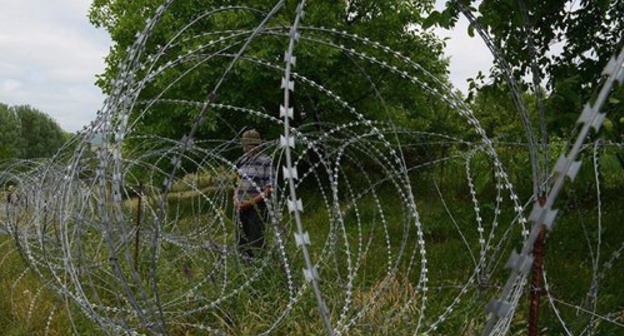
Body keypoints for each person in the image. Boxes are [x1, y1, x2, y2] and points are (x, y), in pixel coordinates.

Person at [233, 129, 273, 259]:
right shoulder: (241, 161)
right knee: (241, 236)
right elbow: (238, 184)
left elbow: (268, 190)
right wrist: (235, 198)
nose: (250, 148)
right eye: (247, 145)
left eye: (253, 145)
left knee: (256, 235)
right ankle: (245, 262)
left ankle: (260, 261)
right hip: (241, 205)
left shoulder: (265, 161)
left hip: (257, 206)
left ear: (258, 145)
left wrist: (250, 203)